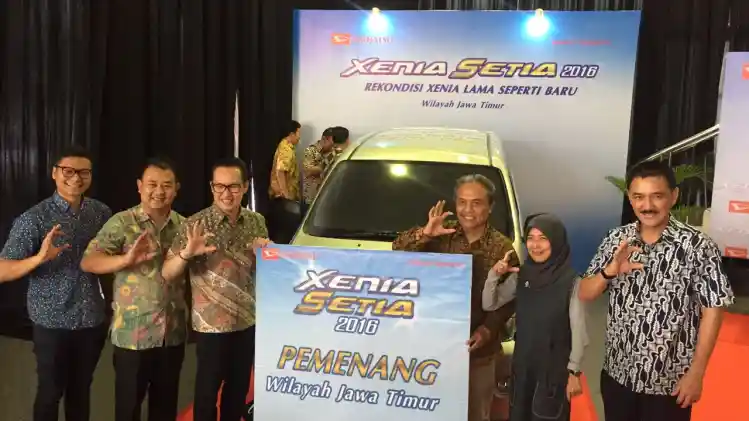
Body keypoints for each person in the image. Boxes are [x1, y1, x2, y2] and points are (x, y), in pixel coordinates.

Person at [578, 160, 734, 421]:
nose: (647, 205)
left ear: (674, 196)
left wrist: (697, 373)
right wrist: (609, 272)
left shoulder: (698, 246)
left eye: (657, 196)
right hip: (618, 375)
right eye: (639, 197)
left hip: (670, 383)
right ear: (630, 198)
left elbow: (713, 309)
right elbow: (584, 293)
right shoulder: (616, 239)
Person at [392, 174, 518, 421]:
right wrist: (425, 233)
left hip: (478, 354)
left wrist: (487, 330)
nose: (467, 210)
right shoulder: (442, 234)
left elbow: (509, 300)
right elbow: (397, 251)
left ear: (490, 207)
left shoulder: (503, 248)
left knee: (475, 413)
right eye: (462, 202)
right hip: (433, 349)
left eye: (476, 203)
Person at [0, 146, 110, 421]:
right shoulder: (33, 219)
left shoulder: (100, 213)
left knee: (81, 391)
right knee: (50, 392)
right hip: (52, 321)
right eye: (68, 171)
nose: (76, 178)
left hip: (91, 319)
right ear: (54, 173)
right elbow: (2, 270)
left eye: (83, 172)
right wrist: (38, 259)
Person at [162, 157, 271, 421]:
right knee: (207, 394)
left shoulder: (256, 221)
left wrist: (266, 254)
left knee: (238, 391)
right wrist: (187, 253)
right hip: (211, 326)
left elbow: (265, 270)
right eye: (220, 186)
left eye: (233, 186)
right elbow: (167, 273)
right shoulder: (195, 225)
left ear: (245, 187)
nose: (226, 193)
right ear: (212, 187)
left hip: (246, 321)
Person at [80, 158, 187, 421]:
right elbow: (89, 261)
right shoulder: (122, 222)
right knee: (128, 410)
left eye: (166, 185)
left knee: (165, 409)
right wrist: (124, 260)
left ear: (176, 189)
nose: (159, 191)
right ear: (140, 186)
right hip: (132, 335)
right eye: (152, 184)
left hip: (171, 335)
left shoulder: (185, 227)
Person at [485, 213, 588, 421]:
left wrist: (574, 372)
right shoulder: (521, 275)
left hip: (553, 372)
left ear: (556, 242)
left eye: (543, 238)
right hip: (523, 367)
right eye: (531, 238)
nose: (535, 245)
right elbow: (489, 303)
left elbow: (579, 332)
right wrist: (494, 275)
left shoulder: (571, 281)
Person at [268, 120, 302, 243]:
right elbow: (280, 171)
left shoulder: (285, 146)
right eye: (298, 133)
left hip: (283, 196)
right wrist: (286, 194)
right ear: (292, 134)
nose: (299, 137)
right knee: (285, 232)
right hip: (283, 198)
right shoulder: (286, 149)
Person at [302, 127, 335, 206]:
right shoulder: (310, 150)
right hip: (312, 198)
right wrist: (325, 164)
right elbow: (308, 171)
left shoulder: (333, 151)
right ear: (324, 139)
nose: (332, 146)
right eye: (331, 143)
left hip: (326, 198)